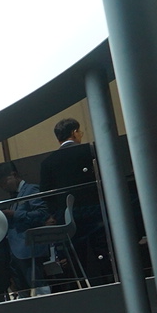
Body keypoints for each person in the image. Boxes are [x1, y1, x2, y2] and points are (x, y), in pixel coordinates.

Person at [37, 117, 107, 282]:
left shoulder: (47, 163)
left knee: (76, 257)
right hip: (95, 211)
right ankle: (109, 280)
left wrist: (56, 213)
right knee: (102, 251)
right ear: (74, 132)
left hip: (67, 217)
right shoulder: (89, 150)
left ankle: (82, 285)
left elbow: (45, 193)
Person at [0, 162, 56, 297]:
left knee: (38, 287)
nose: (3, 187)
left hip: (29, 249)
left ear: (14, 175)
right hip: (16, 251)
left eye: (4, 183)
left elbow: (43, 214)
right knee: (23, 290)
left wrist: (14, 214)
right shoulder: (14, 196)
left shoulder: (31, 190)